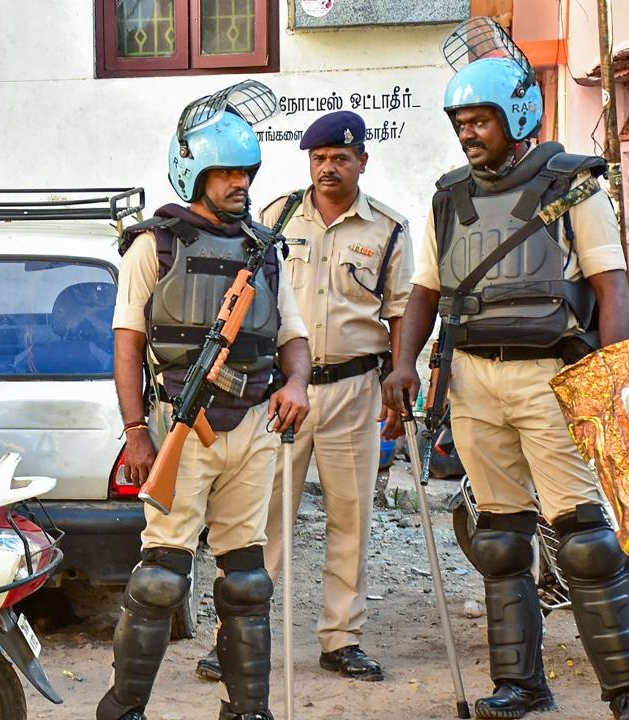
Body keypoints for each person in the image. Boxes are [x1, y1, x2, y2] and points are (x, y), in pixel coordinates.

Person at [382, 32, 629, 720]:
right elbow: (425, 293)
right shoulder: (448, 198)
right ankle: (521, 686)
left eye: (480, 121)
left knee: (582, 538)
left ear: (518, 116)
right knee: (499, 538)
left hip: (553, 379)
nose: (468, 135)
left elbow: (612, 286)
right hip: (471, 381)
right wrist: (404, 363)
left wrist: (612, 383)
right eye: (461, 124)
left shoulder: (573, 186)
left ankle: (622, 688)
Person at [97, 83, 312, 720]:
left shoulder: (264, 250)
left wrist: (296, 385)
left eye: (246, 172)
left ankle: (248, 709)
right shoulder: (154, 244)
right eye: (225, 173)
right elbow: (128, 342)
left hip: (253, 424)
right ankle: (123, 705)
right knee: (162, 574)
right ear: (193, 172)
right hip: (179, 427)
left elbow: (293, 335)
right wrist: (137, 430)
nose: (239, 183)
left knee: (246, 578)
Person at [197, 111, 410, 684]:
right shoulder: (275, 217)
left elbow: (400, 313)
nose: (328, 168)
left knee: (350, 517)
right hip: (279, 393)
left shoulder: (388, 229)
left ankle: (342, 638)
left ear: (361, 160)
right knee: (260, 521)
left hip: (354, 388)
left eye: (340, 158)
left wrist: (400, 384)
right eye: (318, 159)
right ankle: (236, 637)